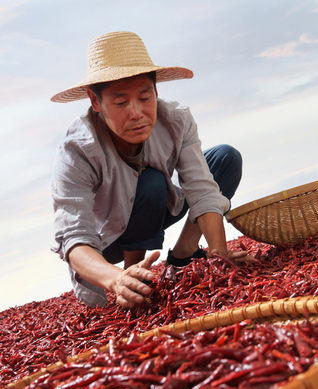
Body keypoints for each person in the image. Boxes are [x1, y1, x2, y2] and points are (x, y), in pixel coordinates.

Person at [51, 31, 251, 308]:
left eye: (145, 97)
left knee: (224, 158)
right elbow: (74, 238)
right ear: (95, 102)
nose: (137, 113)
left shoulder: (176, 120)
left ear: (156, 91)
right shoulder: (77, 150)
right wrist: (115, 279)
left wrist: (220, 253)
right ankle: (136, 277)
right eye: (121, 103)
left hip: (156, 207)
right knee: (151, 181)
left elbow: (201, 187)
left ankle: (184, 254)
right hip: (108, 239)